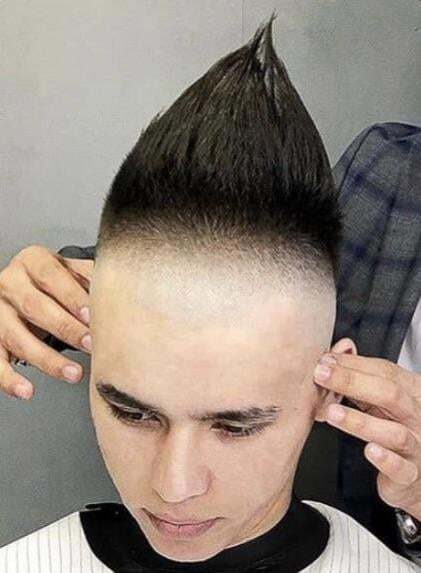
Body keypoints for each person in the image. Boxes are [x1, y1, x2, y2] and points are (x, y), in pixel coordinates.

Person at [0, 18, 419, 572]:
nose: (173, 488)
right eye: (130, 412)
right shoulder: (390, 172)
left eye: (236, 426)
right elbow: (223, 259)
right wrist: (43, 298)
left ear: (327, 393)